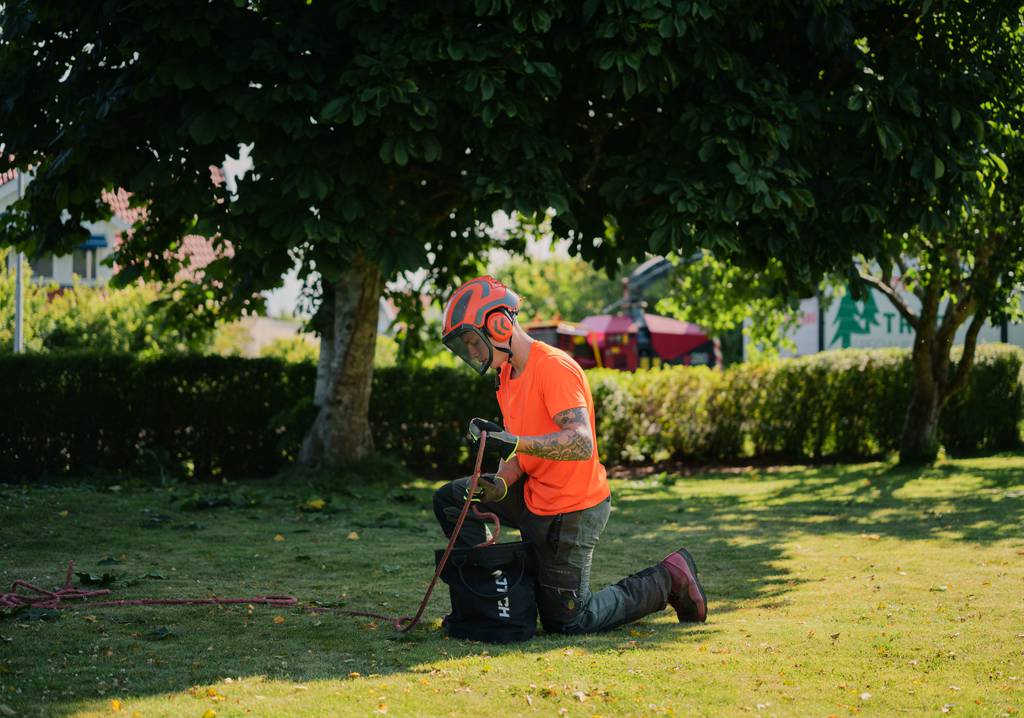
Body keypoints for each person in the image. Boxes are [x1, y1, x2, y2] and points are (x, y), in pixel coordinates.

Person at [434, 275, 707, 634]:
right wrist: (500, 483)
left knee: (569, 621)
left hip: (572, 511)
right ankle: (490, 601)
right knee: (454, 499)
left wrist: (515, 442)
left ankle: (669, 578)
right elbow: (518, 449)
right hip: (534, 497)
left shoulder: (553, 368)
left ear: (499, 324)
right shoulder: (506, 377)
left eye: (472, 342)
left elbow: (580, 443)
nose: (471, 352)